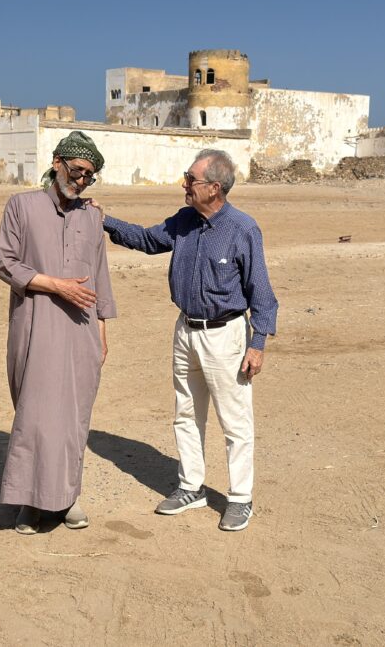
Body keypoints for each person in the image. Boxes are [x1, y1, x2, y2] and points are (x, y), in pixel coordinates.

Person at [96, 149, 277, 532]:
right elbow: (147, 240)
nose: (184, 184)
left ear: (215, 188)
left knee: (235, 421)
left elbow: (261, 292)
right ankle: (191, 487)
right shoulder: (184, 221)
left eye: (191, 179)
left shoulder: (242, 229)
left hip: (226, 336)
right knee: (186, 413)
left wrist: (257, 343)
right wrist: (104, 220)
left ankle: (240, 498)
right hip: (185, 331)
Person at [0, 131, 117, 535]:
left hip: (81, 332)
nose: (81, 181)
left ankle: (67, 498)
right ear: (57, 162)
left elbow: (99, 276)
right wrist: (55, 285)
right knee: (34, 415)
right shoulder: (21, 206)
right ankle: (29, 503)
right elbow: (6, 263)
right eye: (77, 171)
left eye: (89, 176)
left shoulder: (92, 217)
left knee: (72, 420)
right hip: (35, 324)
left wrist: (102, 332)